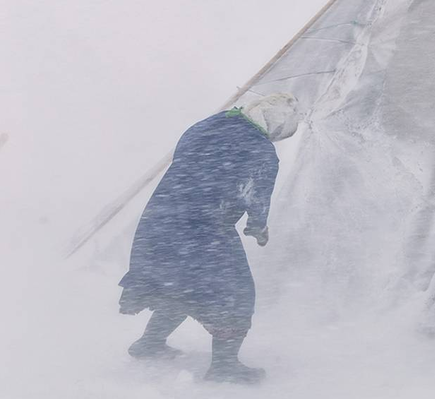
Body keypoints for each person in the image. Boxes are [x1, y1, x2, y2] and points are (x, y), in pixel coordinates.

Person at [118, 92, 300, 384]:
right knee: (234, 295)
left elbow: (185, 161)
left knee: (175, 286)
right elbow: (257, 198)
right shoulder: (260, 150)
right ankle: (224, 367)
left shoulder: (207, 125)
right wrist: (258, 228)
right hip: (205, 231)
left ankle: (149, 344)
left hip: (160, 221)